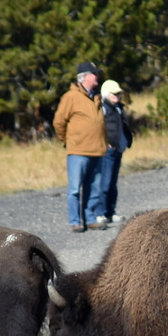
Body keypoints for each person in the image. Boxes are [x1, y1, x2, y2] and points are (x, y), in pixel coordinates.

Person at [51, 62, 108, 232]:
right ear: (84, 76)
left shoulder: (96, 96)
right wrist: (68, 140)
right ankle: (75, 222)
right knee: (75, 189)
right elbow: (58, 122)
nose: (97, 77)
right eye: (94, 74)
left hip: (97, 150)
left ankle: (90, 219)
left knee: (94, 188)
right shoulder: (71, 97)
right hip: (78, 151)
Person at [98, 78, 135, 224]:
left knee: (112, 184)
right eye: (114, 94)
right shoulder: (103, 108)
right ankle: (101, 213)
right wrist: (106, 142)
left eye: (118, 93)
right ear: (106, 94)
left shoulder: (118, 107)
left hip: (118, 149)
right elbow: (98, 128)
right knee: (104, 183)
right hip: (107, 151)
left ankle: (111, 211)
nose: (117, 96)